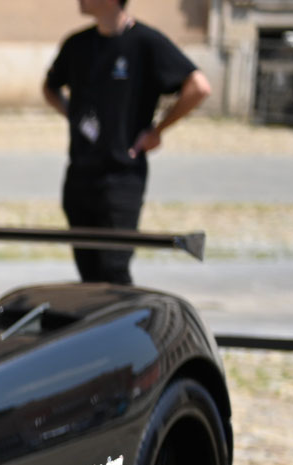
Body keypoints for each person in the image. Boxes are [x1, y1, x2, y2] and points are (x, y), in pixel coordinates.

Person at [42, 0, 211, 284]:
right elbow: (50, 87)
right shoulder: (78, 44)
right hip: (80, 174)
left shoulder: (146, 42)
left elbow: (198, 87)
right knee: (89, 274)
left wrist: (158, 130)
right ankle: (94, 326)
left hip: (122, 177)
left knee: (114, 270)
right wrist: (73, 115)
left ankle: (126, 325)